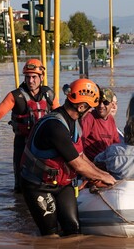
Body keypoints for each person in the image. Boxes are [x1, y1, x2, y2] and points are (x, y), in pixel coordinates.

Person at [19, 78, 116, 236]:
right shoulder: (55, 127)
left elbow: (81, 155)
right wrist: (102, 176)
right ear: (81, 106)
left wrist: (102, 174)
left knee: (73, 230)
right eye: (90, 108)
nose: (92, 112)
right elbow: (77, 164)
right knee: (50, 235)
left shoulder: (74, 122)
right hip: (38, 185)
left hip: (63, 184)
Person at [0, 59, 59, 192]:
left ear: (42, 77)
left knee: (47, 180)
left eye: (34, 77)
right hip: (22, 143)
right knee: (20, 184)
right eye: (27, 77)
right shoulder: (15, 96)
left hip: (43, 144)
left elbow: (58, 117)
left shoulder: (49, 94)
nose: (30, 81)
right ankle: (19, 208)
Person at [81, 88, 121, 161]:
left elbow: (116, 144)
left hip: (108, 161)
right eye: (98, 102)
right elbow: (79, 143)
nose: (101, 106)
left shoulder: (111, 120)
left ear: (112, 105)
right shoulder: (89, 118)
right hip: (92, 162)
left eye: (105, 102)